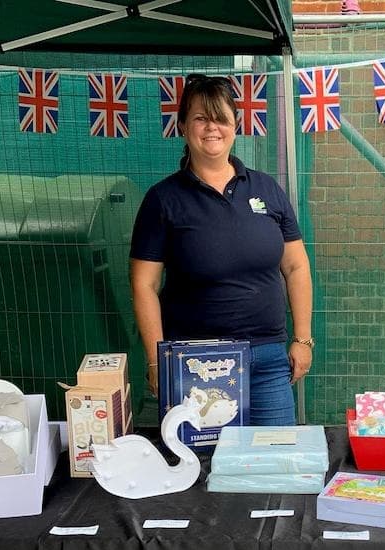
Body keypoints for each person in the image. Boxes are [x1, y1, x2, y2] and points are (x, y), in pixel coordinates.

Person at [129, 74, 313, 426]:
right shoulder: (162, 200)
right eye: (200, 117)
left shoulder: (267, 189)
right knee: (203, 471)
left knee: (272, 467)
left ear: (235, 126)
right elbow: (144, 285)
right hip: (196, 365)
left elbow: (296, 267)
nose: (211, 127)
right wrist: (157, 362)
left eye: (221, 118)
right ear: (183, 126)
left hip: (269, 361)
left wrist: (303, 339)